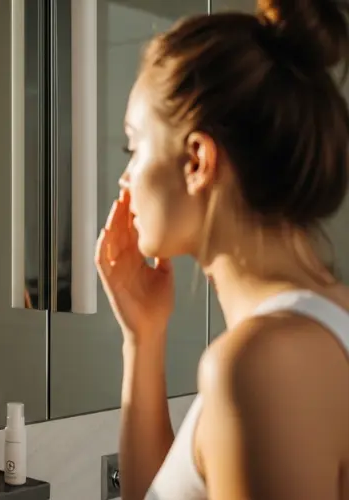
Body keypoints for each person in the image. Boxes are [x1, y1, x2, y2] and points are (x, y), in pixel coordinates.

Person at [95, 0, 349, 498]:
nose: (125, 178)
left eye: (133, 147)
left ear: (196, 160)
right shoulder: (323, 323)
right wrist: (143, 337)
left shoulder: (262, 363)